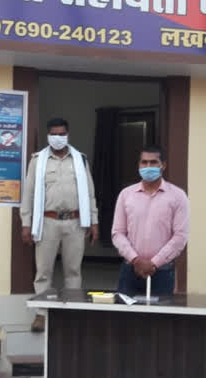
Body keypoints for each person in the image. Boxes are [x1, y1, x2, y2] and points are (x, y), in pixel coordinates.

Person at [20, 117, 98, 332]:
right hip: (47, 222)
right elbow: (29, 194)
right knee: (44, 272)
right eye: (54, 134)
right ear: (48, 136)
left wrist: (94, 221)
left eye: (62, 134)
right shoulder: (38, 160)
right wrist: (26, 223)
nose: (58, 138)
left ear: (68, 135)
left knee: (73, 270)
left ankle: (71, 312)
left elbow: (90, 193)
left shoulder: (80, 160)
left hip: (75, 222)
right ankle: (42, 314)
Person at [111, 145, 189, 296]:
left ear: (163, 165)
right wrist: (135, 260)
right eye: (144, 162)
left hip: (162, 271)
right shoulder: (126, 195)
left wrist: (154, 263)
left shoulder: (178, 196)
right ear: (138, 165)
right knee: (125, 318)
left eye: (153, 162)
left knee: (160, 318)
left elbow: (180, 237)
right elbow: (118, 233)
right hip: (130, 270)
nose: (148, 167)